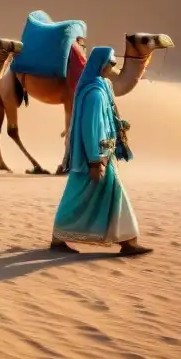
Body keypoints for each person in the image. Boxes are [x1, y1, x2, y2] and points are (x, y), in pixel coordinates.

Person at [50, 47, 153, 256]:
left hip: (104, 155)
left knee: (84, 195)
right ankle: (126, 241)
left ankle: (126, 239)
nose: (113, 67)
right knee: (83, 195)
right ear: (101, 64)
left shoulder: (103, 88)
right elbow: (91, 129)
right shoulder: (95, 94)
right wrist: (96, 162)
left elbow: (104, 121)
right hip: (96, 157)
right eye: (111, 63)